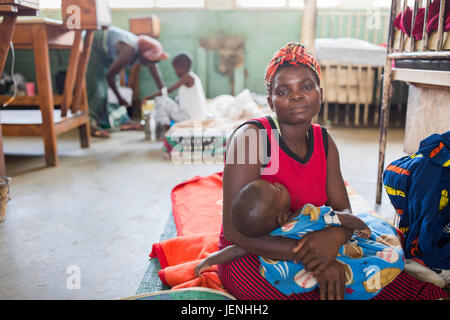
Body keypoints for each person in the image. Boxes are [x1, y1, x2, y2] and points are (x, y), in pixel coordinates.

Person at [218, 42, 448, 300]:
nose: (296, 95)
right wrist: (318, 259)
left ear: (320, 93)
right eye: (284, 91)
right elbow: (234, 230)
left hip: (312, 238)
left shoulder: (324, 142)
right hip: (252, 249)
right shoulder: (252, 137)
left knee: (392, 285)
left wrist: (334, 237)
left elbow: (344, 210)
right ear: (271, 102)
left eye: (306, 86)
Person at [196, 179, 405, 299]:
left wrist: (361, 226)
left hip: (339, 246)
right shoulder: (305, 215)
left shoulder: (297, 220)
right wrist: (210, 260)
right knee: (351, 275)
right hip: (320, 260)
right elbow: (239, 248)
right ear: (282, 217)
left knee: (380, 259)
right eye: (278, 190)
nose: (278, 183)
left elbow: (342, 219)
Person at [86, 26, 169, 137]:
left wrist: (162, 89)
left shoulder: (141, 50)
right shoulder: (129, 51)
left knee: (113, 87)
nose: (151, 65)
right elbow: (109, 75)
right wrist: (120, 98)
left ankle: (120, 121)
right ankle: (91, 125)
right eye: (150, 61)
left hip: (107, 54)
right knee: (99, 88)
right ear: (145, 56)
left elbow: (153, 67)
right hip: (94, 46)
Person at [143, 52, 207, 138]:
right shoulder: (192, 77)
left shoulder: (188, 77)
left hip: (190, 118)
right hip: (191, 116)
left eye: (176, 68)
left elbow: (168, 91)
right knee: (167, 102)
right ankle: (165, 127)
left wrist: (147, 98)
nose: (175, 72)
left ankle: (167, 130)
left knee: (160, 100)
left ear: (182, 67)